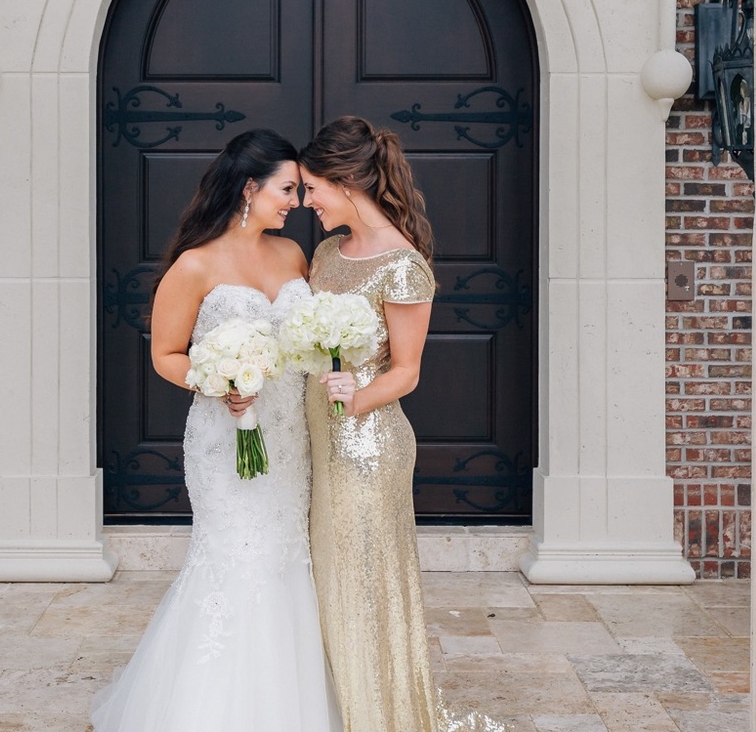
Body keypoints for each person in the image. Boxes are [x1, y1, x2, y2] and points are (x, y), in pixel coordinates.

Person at [90, 129, 341, 732]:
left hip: (286, 435)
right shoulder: (194, 265)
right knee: (236, 558)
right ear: (249, 188)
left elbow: (307, 337)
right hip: (224, 437)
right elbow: (167, 354)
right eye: (287, 189)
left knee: (285, 556)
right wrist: (220, 382)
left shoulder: (292, 256)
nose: (296, 202)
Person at [299, 116, 505, 732]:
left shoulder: (404, 265)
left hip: (367, 445)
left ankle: (379, 714)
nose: (307, 202)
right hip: (315, 436)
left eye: (313, 188)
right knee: (325, 576)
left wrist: (354, 396)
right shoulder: (327, 253)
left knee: (364, 582)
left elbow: (407, 372)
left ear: (344, 182)